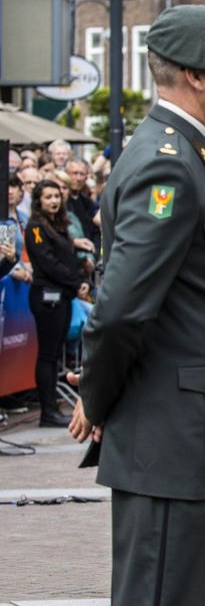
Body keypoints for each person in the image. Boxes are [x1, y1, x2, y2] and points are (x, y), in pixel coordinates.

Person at [71, 4, 205, 606]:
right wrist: (98, 399)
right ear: (195, 76)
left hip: (185, 435)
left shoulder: (187, 154)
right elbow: (121, 309)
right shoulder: (168, 163)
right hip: (174, 436)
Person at [23, 180, 88, 426]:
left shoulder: (57, 225)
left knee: (55, 354)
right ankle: (48, 412)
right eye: (48, 196)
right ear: (38, 200)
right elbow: (48, 263)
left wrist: (78, 280)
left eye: (56, 196)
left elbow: (66, 259)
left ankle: (51, 409)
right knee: (48, 355)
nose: (53, 200)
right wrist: (75, 283)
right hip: (47, 297)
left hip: (62, 295)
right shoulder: (36, 227)